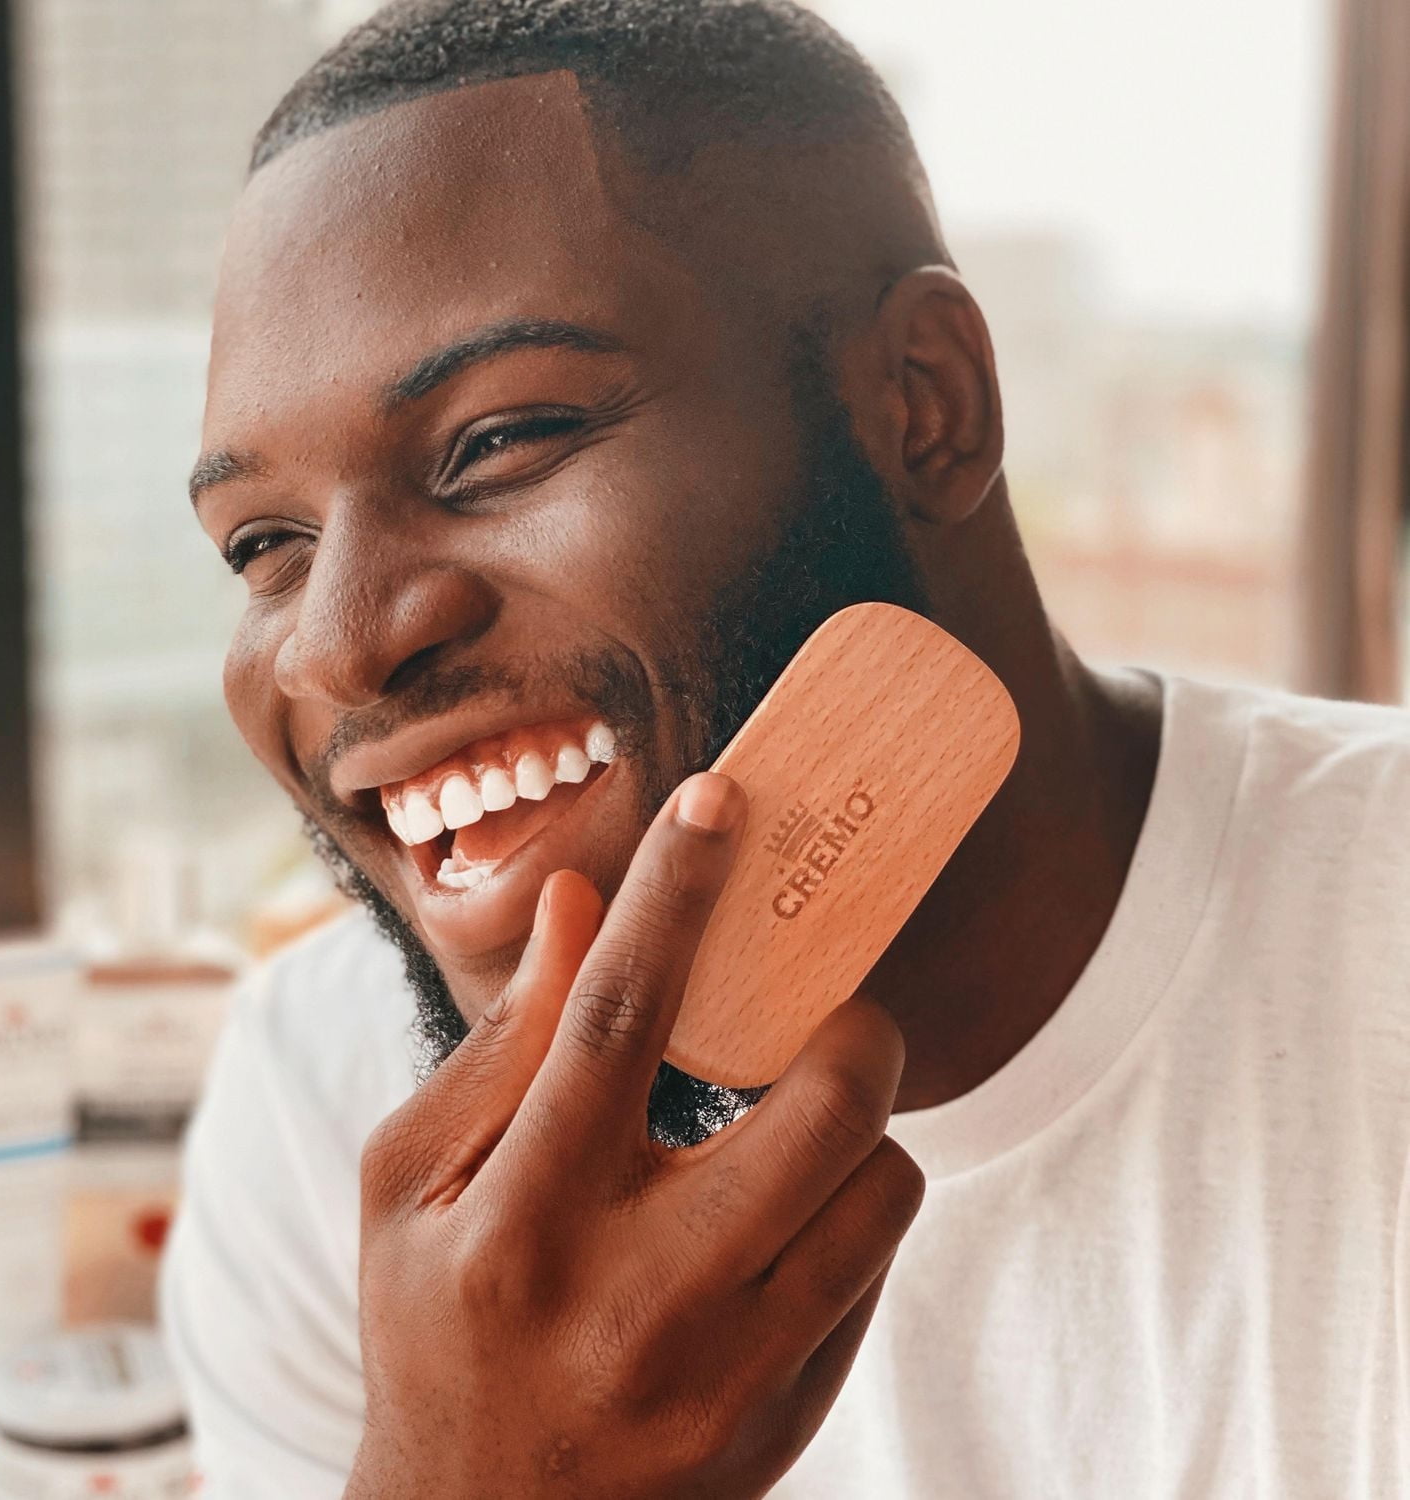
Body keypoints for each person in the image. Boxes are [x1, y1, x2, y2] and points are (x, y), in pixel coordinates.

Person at [162, 1, 1410, 1495]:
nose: (339, 643)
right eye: (266, 543)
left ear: (923, 408)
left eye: (499, 440)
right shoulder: (316, 1105)